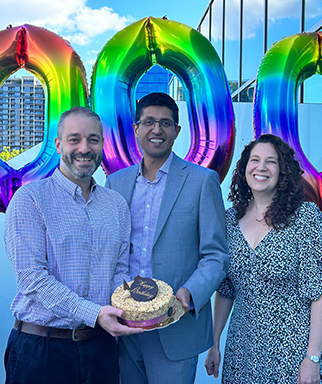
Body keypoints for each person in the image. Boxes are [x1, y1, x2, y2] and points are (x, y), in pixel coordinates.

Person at [4, 107, 142, 384]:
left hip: (100, 348)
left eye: (93, 139)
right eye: (74, 139)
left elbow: (120, 270)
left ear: (102, 144)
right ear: (58, 144)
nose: (84, 148)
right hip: (41, 349)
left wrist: (136, 307)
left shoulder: (115, 205)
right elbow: (33, 279)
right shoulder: (30, 199)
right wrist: (95, 314)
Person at [106, 92, 229, 384]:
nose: (156, 130)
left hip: (177, 327)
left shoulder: (202, 181)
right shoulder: (115, 183)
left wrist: (189, 293)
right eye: (149, 122)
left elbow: (216, 255)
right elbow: (111, 252)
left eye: (165, 123)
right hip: (126, 326)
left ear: (177, 131)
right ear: (136, 129)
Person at [205, 134, 322, 384]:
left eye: (271, 161)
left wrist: (312, 358)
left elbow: (318, 292)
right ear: (245, 167)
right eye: (255, 160)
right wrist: (214, 342)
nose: (261, 167)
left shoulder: (305, 217)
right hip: (241, 350)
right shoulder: (229, 220)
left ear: (283, 171)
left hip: (292, 351)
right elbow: (226, 289)